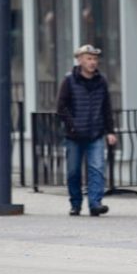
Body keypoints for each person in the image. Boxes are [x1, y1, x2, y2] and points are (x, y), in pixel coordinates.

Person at [57, 44, 117, 217]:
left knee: (97, 168)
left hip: (95, 133)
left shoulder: (101, 81)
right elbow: (61, 107)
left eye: (95, 59)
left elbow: (106, 107)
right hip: (74, 135)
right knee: (73, 171)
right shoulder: (69, 80)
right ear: (80, 60)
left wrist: (110, 131)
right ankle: (75, 204)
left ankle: (95, 203)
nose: (92, 62)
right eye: (89, 58)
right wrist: (72, 124)